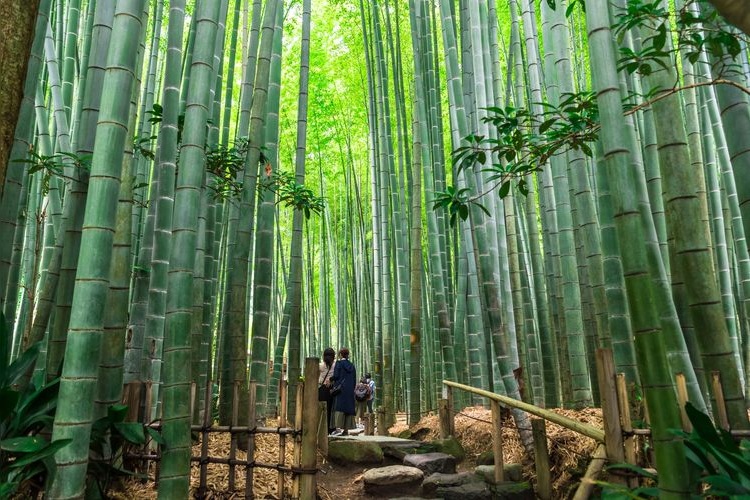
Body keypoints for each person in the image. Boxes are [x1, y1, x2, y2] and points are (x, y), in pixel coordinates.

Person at [330, 347, 356, 436]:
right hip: (349, 390)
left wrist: (331, 379)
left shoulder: (339, 363)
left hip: (341, 390)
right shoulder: (352, 365)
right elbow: (354, 379)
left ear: (340, 355)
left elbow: (336, 376)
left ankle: (337, 428)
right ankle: (346, 430)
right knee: (348, 409)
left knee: (340, 408)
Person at [318, 347, 336, 434]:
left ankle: (321, 428)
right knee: (331, 409)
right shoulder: (336, 365)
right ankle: (330, 429)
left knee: (321, 409)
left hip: (322, 390)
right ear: (333, 356)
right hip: (331, 390)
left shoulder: (320, 366)